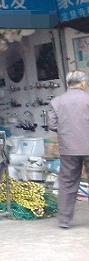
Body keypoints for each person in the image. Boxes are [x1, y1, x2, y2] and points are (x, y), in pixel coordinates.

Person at [47, 70, 89, 228]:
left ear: (67, 84)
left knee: (67, 182)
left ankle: (64, 219)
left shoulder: (56, 102)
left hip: (68, 148)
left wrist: (67, 130)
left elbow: (52, 125)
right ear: (83, 84)